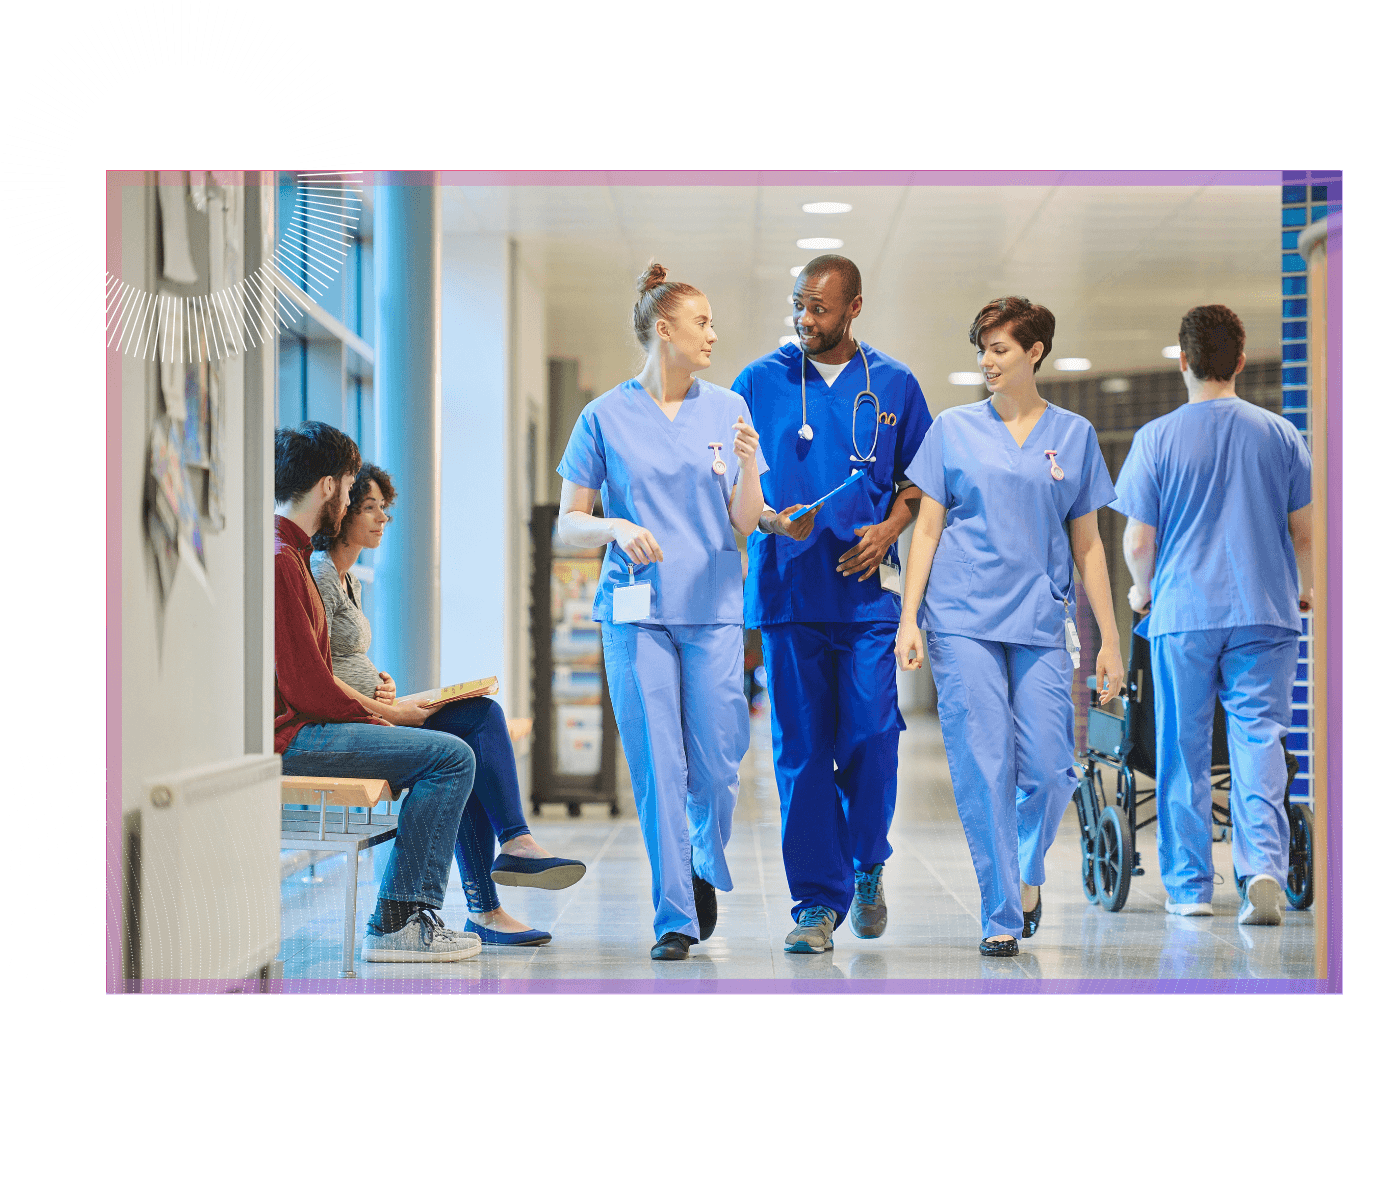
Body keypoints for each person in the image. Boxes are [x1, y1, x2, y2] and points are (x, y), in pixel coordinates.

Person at [895, 297, 1124, 957]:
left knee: (1052, 769)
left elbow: (1088, 546)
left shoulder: (1073, 435)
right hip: (961, 618)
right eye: (982, 349)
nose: (987, 360)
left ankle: (1026, 871)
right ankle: (999, 913)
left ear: (1034, 352)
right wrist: (909, 618)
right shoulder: (952, 428)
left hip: (1037, 618)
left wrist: (1109, 637)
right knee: (983, 764)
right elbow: (929, 527)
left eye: (999, 348)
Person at [555, 262, 767, 961]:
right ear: (664, 330)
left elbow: (744, 519)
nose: (714, 333)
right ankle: (675, 914)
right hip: (634, 614)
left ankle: (703, 855)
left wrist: (753, 467)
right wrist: (614, 528)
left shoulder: (728, 408)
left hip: (710, 611)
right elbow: (568, 523)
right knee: (657, 768)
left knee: (715, 768)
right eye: (702, 322)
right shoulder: (603, 416)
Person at [733, 254, 932, 953]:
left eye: (819, 308)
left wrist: (890, 528)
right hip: (788, 593)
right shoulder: (756, 383)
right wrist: (766, 520)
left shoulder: (897, 385)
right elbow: (732, 488)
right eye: (797, 305)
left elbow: (920, 484)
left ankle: (868, 861)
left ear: (853, 310)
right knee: (802, 753)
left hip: (866, 598)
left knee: (874, 734)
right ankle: (816, 904)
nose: (804, 320)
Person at [310, 462, 586, 947]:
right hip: (345, 725)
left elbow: (340, 656)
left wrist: (382, 682)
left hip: (367, 713)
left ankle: (510, 857)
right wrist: (387, 709)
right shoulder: (318, 573)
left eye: (384, 510)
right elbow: (315, 673)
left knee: (479, 715)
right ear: (343, 511)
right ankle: (489, 892)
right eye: (369, 507)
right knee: (458, 752)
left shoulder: (349, 578)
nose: (380, 519)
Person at [1111, 304, 1313, 926]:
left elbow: (1139, 541)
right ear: (1241, 362)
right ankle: (1263, 872)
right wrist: (1303, 588)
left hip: (1184, 613)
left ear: (1182, 359)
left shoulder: (1157, 438)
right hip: (1266, 610)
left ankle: (1191, 888)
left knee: (1183, 748)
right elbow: (1305, 532)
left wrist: (1141, 592)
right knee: (1258, 740)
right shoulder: (1281, 434)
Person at [273, 421, 480, 964]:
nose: (349, 498)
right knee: (450, 757)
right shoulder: (283, 562)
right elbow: (312, 688)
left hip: (306, 728)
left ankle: (408, 916)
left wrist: (381, 710)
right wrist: (386, 715)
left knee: (461, 738)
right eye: (347, 486)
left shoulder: (289, 556)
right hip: (294, 740)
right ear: (327, 488)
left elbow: (318, 677)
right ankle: (397, 922)